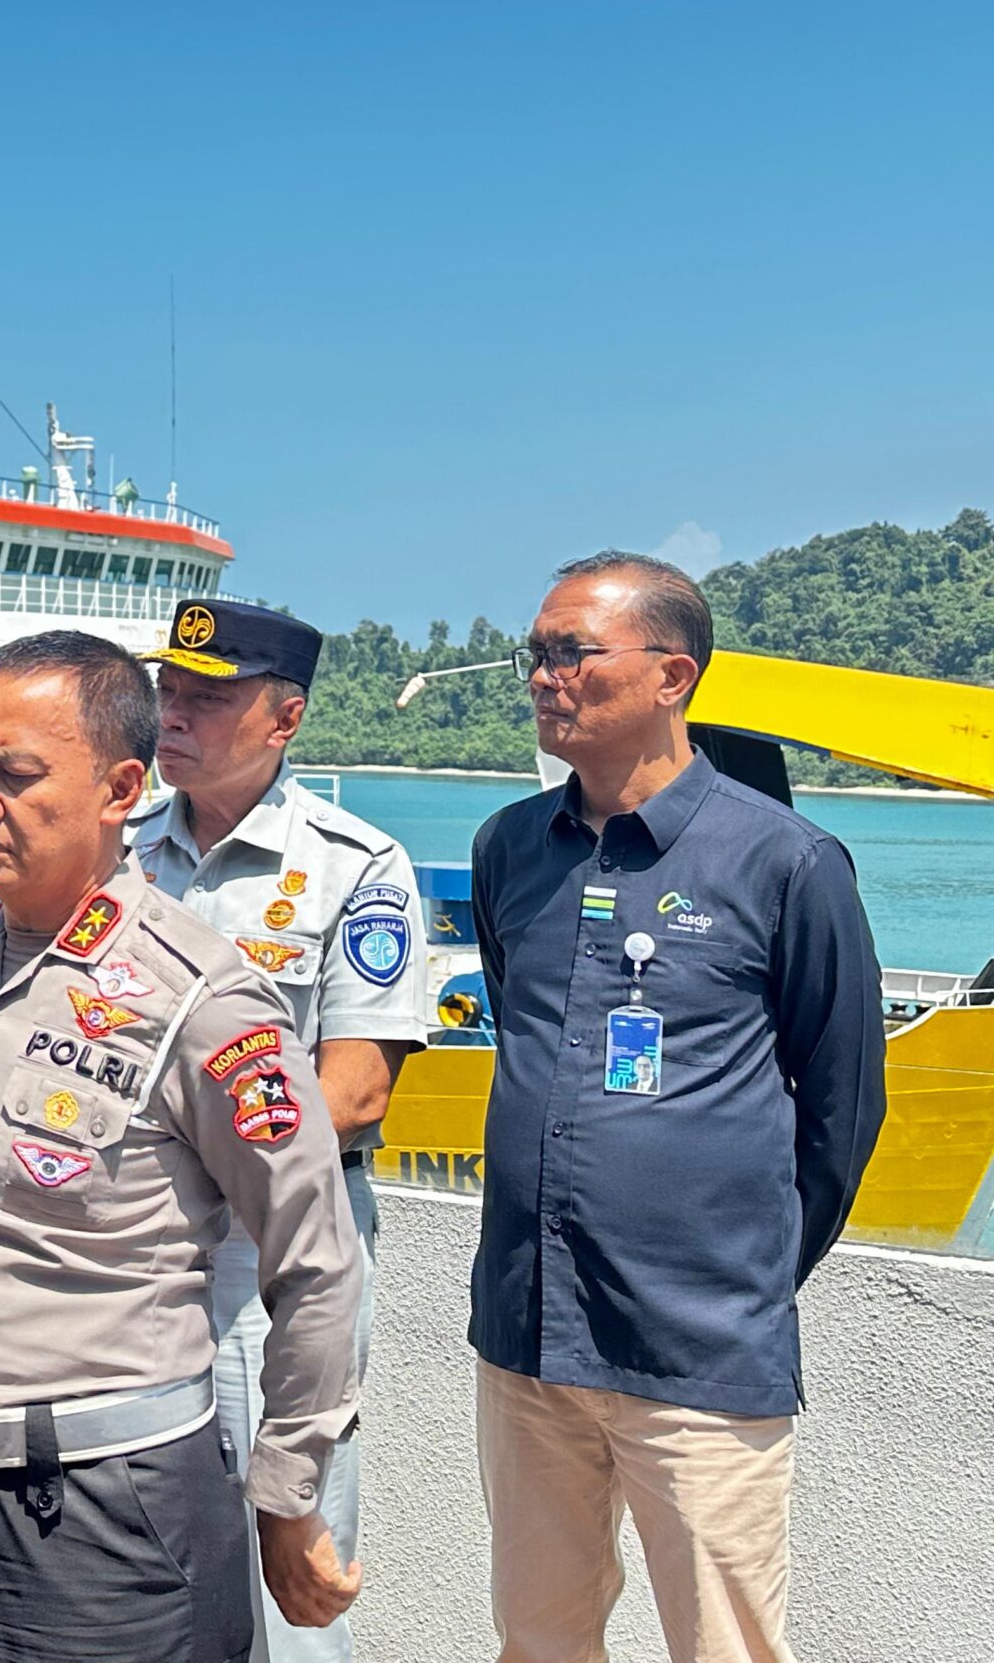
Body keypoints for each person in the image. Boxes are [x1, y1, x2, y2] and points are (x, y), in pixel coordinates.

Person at [0, 630, 365, 1663]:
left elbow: (315, 1264)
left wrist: (285, 1492)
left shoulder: (199, 998)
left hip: (97, 1517)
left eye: (17, 774)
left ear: (120, 788)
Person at [470, 553, 886, 1663]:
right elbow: (526, 1027)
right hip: (526, 1335)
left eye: (573, 653)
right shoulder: (510, 847)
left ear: (671, 676)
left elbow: (841, 1106)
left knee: (726, 1646)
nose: (543, 678)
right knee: (537, 1638)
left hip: (697, 1348)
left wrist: (743, 1270)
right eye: (537, 654)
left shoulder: (785, 861)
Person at [136, 599, 431, 1663]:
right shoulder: (115, 851)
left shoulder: (356, 867)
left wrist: (160, 1134)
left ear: (283, 719)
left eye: (206, 698)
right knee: (134, 1554)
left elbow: (353, 1090)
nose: (172, 714)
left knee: (287, 1549)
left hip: (275, 1259)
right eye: (168, 691)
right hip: (126, 1250)